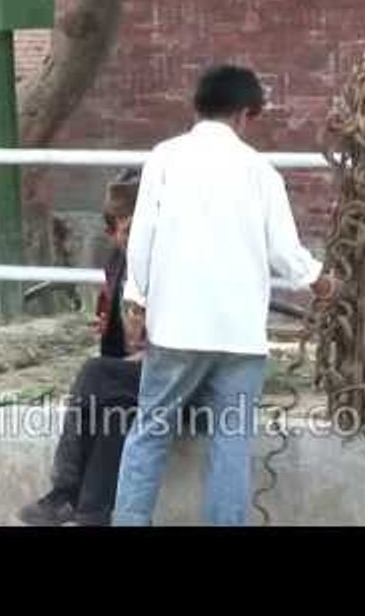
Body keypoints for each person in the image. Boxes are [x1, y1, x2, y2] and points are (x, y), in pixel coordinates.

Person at [113, 64, 337, 527]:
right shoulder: (261, 172)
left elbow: (142, 241)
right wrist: (321, 281)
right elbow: (285, 253)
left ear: (198, 108)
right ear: (245, 114)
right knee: (231, 444)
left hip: (175, 328)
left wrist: (136, 301)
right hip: (239, 337)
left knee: (150, 432)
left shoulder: (164, 158)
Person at [16, 169, 145, 527]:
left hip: (177, 373)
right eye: (125, 228)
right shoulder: (119, 264)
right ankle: (91, 512)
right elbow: (117, 345)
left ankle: (65, 491)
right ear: (112, 231)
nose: (133, 236)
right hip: (135, 376)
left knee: (95, 373)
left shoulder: (172, 262)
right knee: (115, 411)